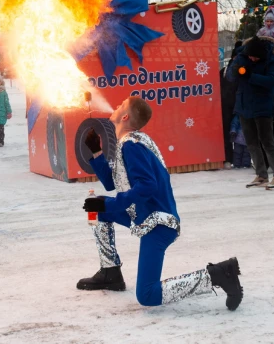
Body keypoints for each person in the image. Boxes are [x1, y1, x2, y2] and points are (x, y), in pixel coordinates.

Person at [78, 97, 243, 311]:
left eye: (120, 105)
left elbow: (147, 186)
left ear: (125, 117)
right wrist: (97, 152)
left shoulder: (132, 146)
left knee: (147, 295)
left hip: (157, 224)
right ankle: (110, 272)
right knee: (97, 210)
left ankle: (218, 275)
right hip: (145, 215)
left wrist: (109, 204)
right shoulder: (133, 141)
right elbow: (113, 183)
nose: (116, 106)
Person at [226, 36, 274, 190]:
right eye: (250, 56)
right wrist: (237, 69)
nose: (252, 59)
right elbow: (230, 77)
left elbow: (272, 81)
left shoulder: (272, 59)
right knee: (251, 142)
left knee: (267, 142)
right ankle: (261, 174)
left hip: (263, 106)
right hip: (244, 105)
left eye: (255, 57)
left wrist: (250, 76)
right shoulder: (242, 56)